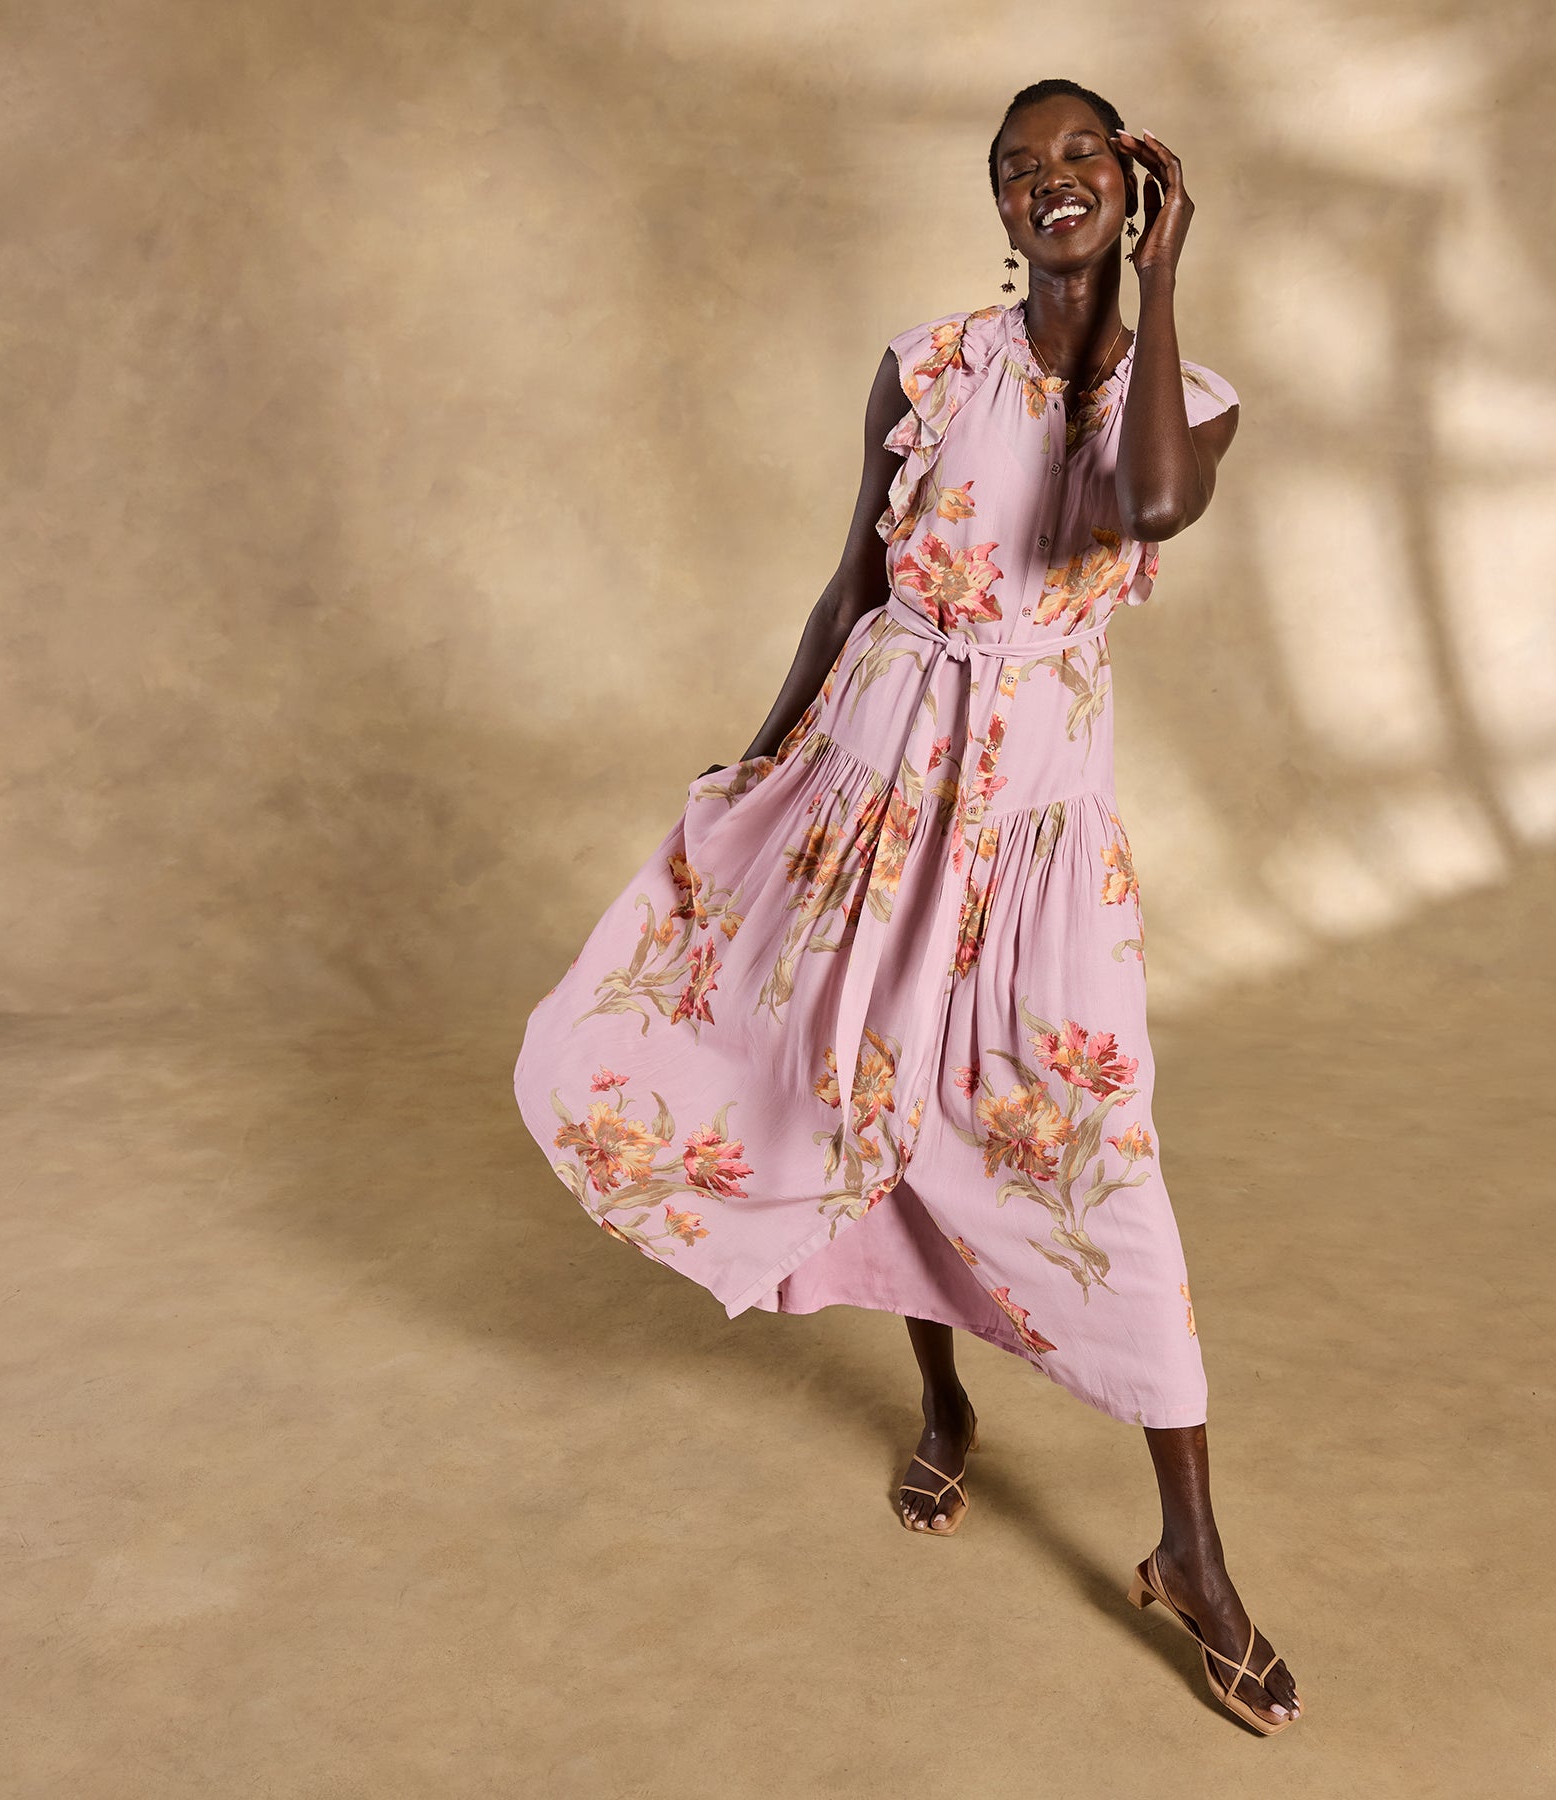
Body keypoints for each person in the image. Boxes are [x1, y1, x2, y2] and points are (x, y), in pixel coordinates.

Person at [514, 77, 1301, 1732]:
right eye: (1018, 169)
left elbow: (1143, 507)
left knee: (1095, 1153)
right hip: (867, 785)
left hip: (1032, 834)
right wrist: (754, 766)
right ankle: (944, 1406)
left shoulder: (1188, 400)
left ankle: (1192, 1551)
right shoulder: (929, 364)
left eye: (1079, 157)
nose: (1049, 182)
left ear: (1132, 181)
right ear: (996, 206)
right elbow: (852, 588)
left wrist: (1162, 283)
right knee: (858, 1100)